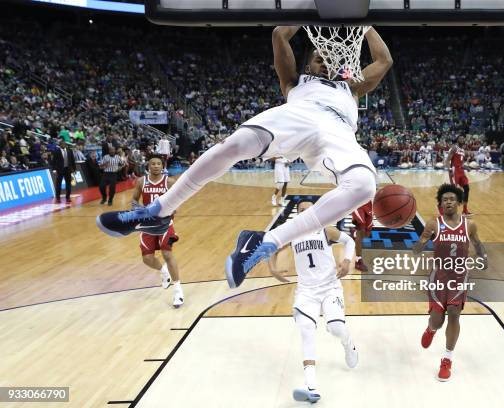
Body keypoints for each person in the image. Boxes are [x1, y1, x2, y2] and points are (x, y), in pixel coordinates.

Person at [97, 26, 393, 290]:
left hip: (337, 131)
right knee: (235, 145)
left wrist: (364, 26)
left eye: (332, 61)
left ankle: (264, 243)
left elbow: (384, 61)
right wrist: (306, 13)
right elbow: (279, 34)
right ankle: (159, 211)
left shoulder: (352, 87)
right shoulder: (295, 82)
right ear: (308, 64)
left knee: (365, 185)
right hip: (298, 115)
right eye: (319, 58)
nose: (327, 62)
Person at [268, 199, 358, 403]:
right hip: (306, 292)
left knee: (336, 328)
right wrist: (272, 268)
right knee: (306, 330)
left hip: (329, 287)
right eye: (300, 210)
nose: (304, 212)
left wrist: (346, 261)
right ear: (297, 214)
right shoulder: (292, 233)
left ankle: (348, 343)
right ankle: (311, 387)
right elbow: (273, 247)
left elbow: (350, 241)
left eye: (308, 210)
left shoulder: (325, 230)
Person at [413, 184, 488, 382]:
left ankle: (447, 359)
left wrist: (484, 255)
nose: (448, 202)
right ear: (440, 204)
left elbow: (477, 242)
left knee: (454, 314)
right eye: (444, 199)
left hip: (459, 277)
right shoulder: (434, 224)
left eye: (452, 199)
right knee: (438, 320)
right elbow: (417, 248)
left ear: (459, 203)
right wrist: (420, 243)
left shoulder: (469, 224)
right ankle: (431, 329)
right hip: (438, 277)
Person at [132, 155, 184, 307]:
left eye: (158, 164)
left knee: (167, 253)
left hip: (165, 222)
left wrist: (175, 207)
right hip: (147, 223)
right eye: (153, 163)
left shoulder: (169, 181)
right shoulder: (142, 181)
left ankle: (178, 292)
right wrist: (138, 209)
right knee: (147, 258)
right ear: (148, 166)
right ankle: (164, 272)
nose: (155, 166)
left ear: (163, 166)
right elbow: (134, 200)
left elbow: (179, 198)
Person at [444, 137, 471, 216]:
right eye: (460, 138)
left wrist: (467, 167)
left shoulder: (463, 150)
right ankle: (445, 207)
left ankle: (465, 211)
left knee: (467, 188)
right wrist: (450, 170)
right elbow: (447, 160)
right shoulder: (454, 148)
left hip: (461, 171)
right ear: (457, 140)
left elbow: (461, 164)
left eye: (463, 138)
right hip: (454, 171)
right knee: (454, 191)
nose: (462, 139)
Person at [51, 139, 76, 204]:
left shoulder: (69, 151)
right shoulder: (56, 151)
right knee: (58, 184)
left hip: (68, 169)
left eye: (64, 144)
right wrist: (54, 169)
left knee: (68, 184)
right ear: (60, 145)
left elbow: (72, 160)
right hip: (60, 170)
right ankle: (58, 198)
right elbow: (53, 161)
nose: (64, 145)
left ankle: (68, 198)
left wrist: (74, 169)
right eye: (62, 144)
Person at [351, 200, 373, 272]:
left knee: (366, 234)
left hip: (369, 204)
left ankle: (355, 233)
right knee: (361, 229)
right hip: (358, 202)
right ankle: (358, 261)